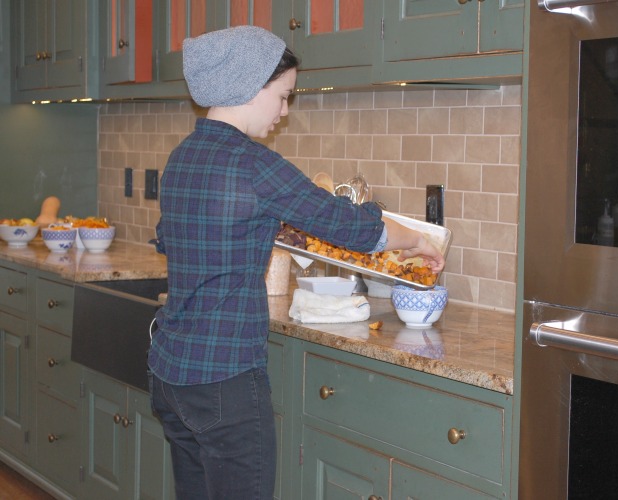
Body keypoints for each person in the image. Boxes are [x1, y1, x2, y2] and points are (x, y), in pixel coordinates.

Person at [148, 25, 445, 500]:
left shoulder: (183, 157)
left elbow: (173, 237)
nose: (285, 111)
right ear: (250, 85)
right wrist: (418, 238)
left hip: (171, 374)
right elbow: (349, 226)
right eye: (283, 96)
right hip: (225, 377)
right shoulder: (252, 163)